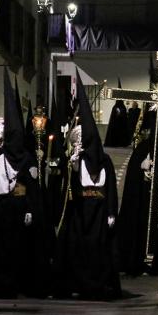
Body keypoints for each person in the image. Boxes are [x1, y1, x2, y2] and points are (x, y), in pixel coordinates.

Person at [0, 74, 51, 299]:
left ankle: (18, 282)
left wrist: (30, 209)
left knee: (18, 250)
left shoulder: (28, 160)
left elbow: (32, 188)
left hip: (20, 211)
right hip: (0, 209)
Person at [52, 72, 122, 300]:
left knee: (98, 250)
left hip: (100, 214)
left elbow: (110, 187)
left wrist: (112, 211)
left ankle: (99, 285)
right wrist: (71, 165)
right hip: (81, 212)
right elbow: (69, 190)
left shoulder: (105, 162)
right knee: (78, 249)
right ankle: (78, 283)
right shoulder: (76, 161)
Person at [117, 117, 158, 276]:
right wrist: (143, 171)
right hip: (143, 200)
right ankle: (139, 257)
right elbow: (133, 181)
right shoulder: (142, 150)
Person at [104, 79, 131, 147]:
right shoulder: (115, 107)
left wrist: (120, 114)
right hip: (115, 126)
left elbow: (124, 118)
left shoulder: (123, 107)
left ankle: (121, 143)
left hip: (121, 125)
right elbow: (113, 118)